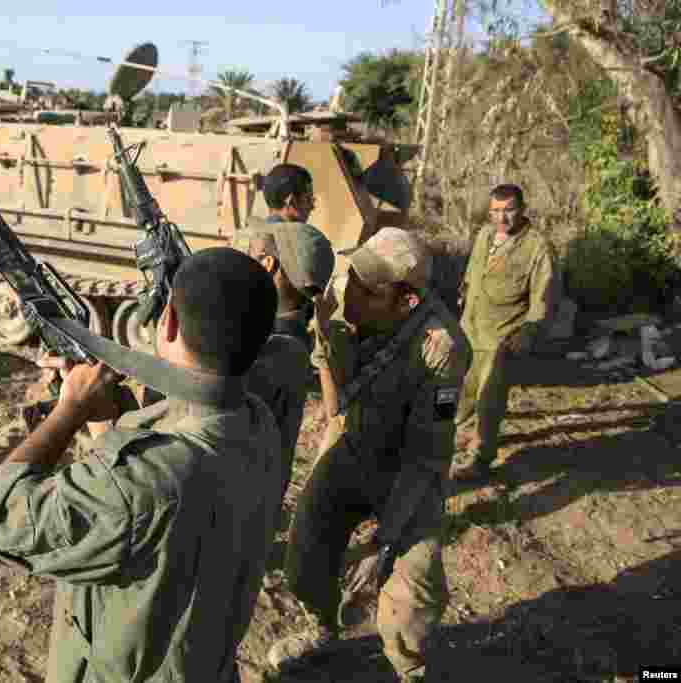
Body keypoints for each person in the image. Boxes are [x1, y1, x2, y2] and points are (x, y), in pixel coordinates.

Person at [0, 247, 285, 683]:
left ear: (168, 322)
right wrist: (106, 420)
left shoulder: (151, 481)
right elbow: (159, 509)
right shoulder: (257, 420)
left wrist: (67, 410)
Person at [268, 227, 471, 683]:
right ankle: (322, 627)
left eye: (366, 287)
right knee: (302, 561)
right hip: (353, 449)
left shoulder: (444, 351)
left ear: (407, 302)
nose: (349, 291)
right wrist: (323, 334)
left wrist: (384, 543)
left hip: (407, 472)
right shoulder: (345, 310)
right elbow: (336, 404)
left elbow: (428, 454)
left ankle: (409, 670)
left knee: (409, 603)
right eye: (352, 276)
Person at [453, 184, 558, 481]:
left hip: (501, 336)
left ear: (522, 209)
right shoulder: (485, 234)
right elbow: (473, 272)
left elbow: (544, 296)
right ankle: (455, 434)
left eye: (508, 210)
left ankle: (479, 457)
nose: (501, 218)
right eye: (495, 211)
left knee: (489, 400)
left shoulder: (538, 247)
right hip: (469, 328)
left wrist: (528, 331)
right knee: (456, 388)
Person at [233, 220, 335, 506]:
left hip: (239, 504)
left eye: (250, 253)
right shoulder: (291, 332)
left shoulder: (273, 348)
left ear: (267, 264)